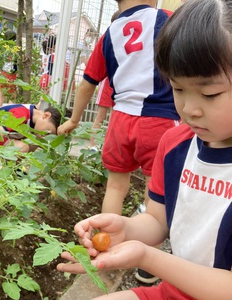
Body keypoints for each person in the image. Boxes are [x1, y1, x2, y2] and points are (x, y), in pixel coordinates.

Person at [56, 0, 232, 299]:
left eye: (209, 93)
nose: (189, 109)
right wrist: (125, 230)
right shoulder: (176, 144)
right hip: (175, 292)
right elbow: (157, 220)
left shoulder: (114, 32)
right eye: (177, 89)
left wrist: (147, 257)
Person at [58, 2, 179, 216]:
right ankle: (145, 247)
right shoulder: (168, 19)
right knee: (156, 189)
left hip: (120, 120)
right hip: (160, 120)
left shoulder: (110, 33)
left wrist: (74, 119)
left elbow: (87, 84)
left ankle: (106, 241)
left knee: (114, 187)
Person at [0, 104, 62, 169]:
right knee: (23, 147)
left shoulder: (34, 120)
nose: (45, 136)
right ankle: (3, 169)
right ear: (46, 115)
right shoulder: (22, 114)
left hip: (0, 141)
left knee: (36, 141)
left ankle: (12, 169)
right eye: (47, 132)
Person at [89, 11, 120, 150]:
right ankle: (94, 148)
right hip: (108, 83)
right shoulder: (108, 38)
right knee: (100, 117)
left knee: (117, 120)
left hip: (122, 85)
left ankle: (112, 149)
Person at [0, 30, 19, 109]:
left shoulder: (1, 49)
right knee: (12, 97)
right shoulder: (15, 49)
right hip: (11, 76)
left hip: (3, 74)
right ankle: (10, 116)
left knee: (1, 98)